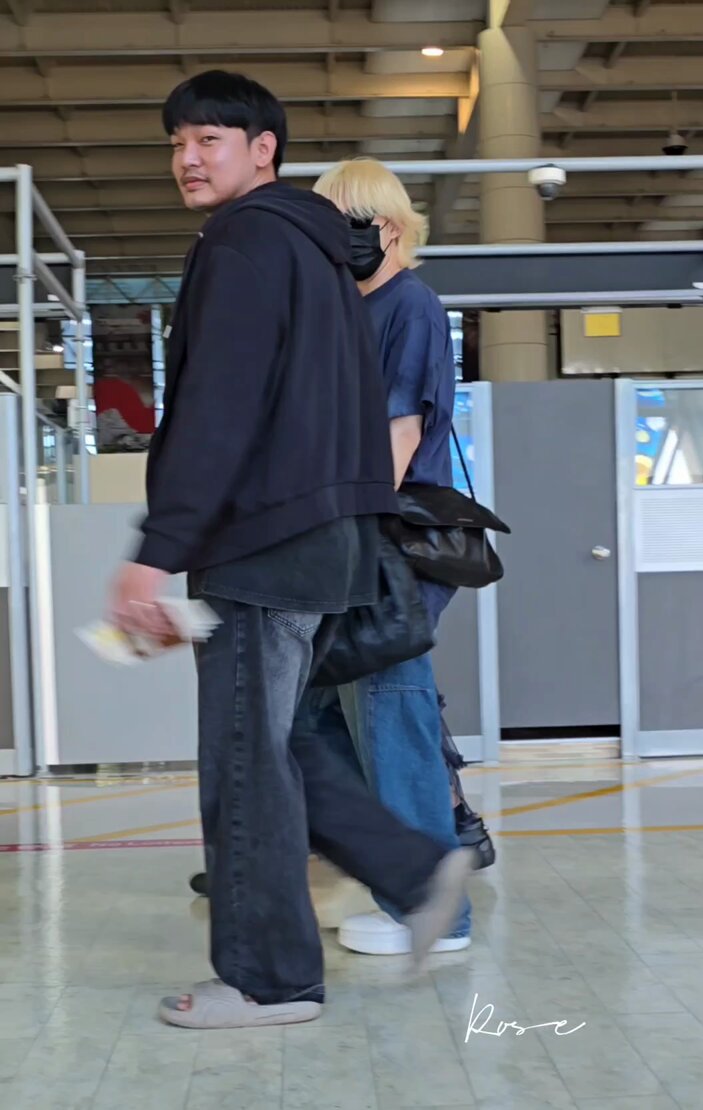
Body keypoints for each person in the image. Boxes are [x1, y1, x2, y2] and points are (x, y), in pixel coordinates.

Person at [109, 70, 472, 1030]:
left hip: (264, 543)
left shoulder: (243, 242)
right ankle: (414, 869)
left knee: (243, 758)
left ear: (263, 149)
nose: (188, 159)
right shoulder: (318, 256)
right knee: (277, 741)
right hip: (319, 540)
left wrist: (159, 549)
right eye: (177, 143)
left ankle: (269, 981)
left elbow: (218, 407)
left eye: (209, 140)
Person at [311, 158, 477, 956]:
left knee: (391, 712)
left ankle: (432, 910)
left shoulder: (409, 305)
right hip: (358, 540)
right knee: (331, 715)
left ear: (390, 228)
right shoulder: (353, 311)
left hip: (391, 545)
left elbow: (397, 440)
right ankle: (387, 873)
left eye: (346, 223)